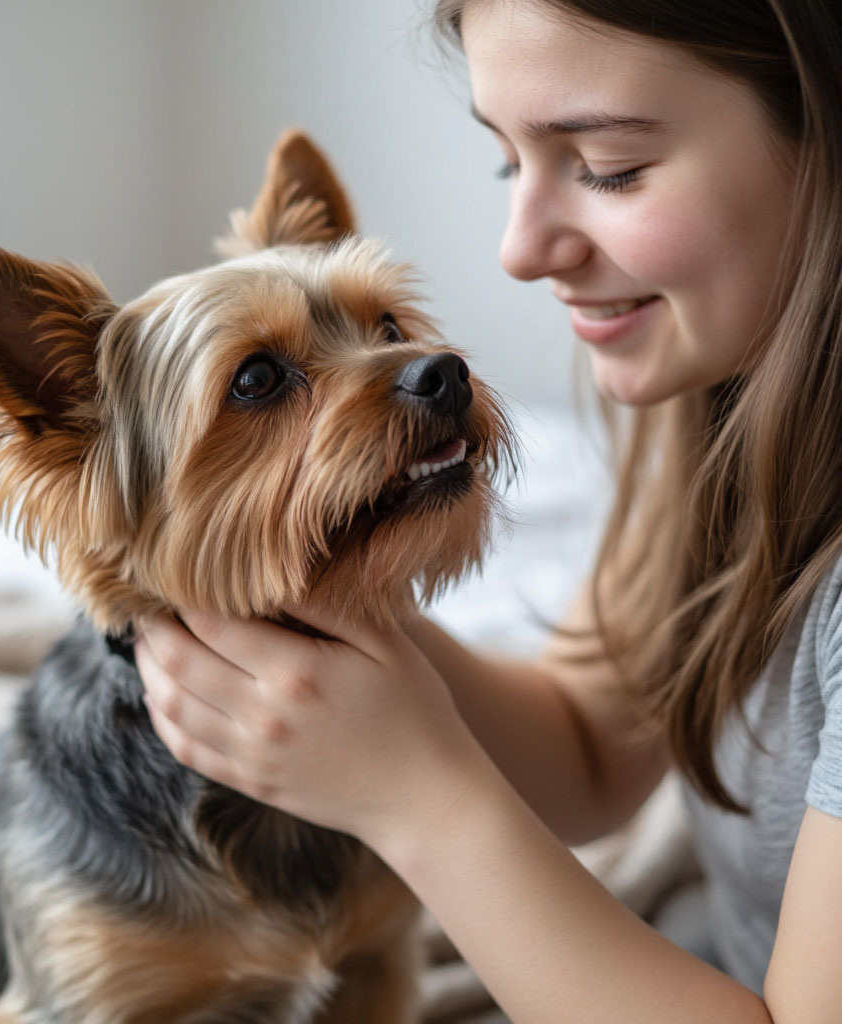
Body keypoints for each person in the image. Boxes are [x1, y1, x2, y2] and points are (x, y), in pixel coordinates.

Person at [134, 0, 842, 1019]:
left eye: (605, 166)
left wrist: (417, 798)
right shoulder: (716, 412)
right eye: (511, 164)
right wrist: (356, 654)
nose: (518, 249)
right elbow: (593, 747)